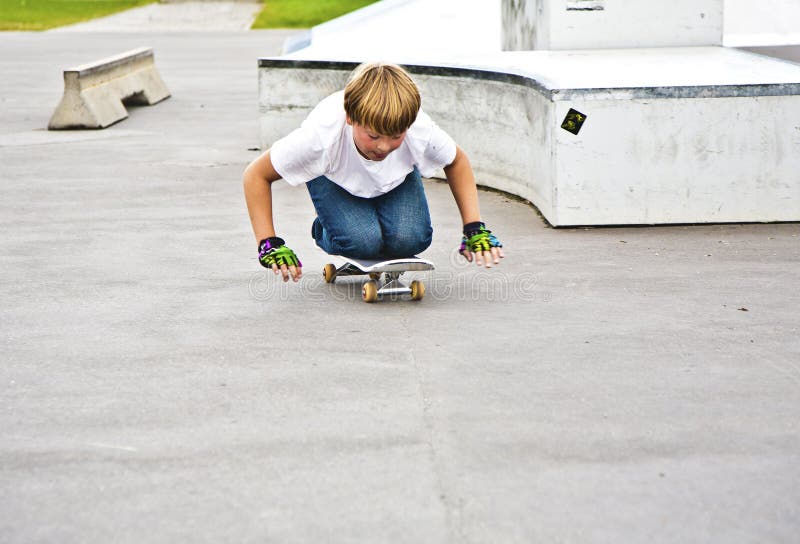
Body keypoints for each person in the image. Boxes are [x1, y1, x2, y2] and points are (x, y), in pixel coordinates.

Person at [243, 62, 504, 283]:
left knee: (412, 240)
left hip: (396, 179)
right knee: (362, 242)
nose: (383, 146)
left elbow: (456, 161)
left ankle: (368, 219)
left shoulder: (419, 129)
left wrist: (473, 228)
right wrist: (269, 243)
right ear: (350, 118)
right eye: (374, 135)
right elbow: (256, 175)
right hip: (334, 177)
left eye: (395, 137)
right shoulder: (319, 138)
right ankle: (325, 226)